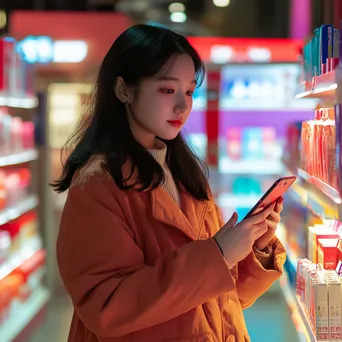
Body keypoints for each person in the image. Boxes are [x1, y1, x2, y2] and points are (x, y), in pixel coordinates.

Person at [53, 24, 286, 342]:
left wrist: (253, 248)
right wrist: (217, 255)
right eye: (167, 90)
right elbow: (108, 307)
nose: (183, 105)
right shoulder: (97, 186)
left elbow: (218, 300)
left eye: (189, 91)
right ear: (124, 90)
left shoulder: (186, 174)